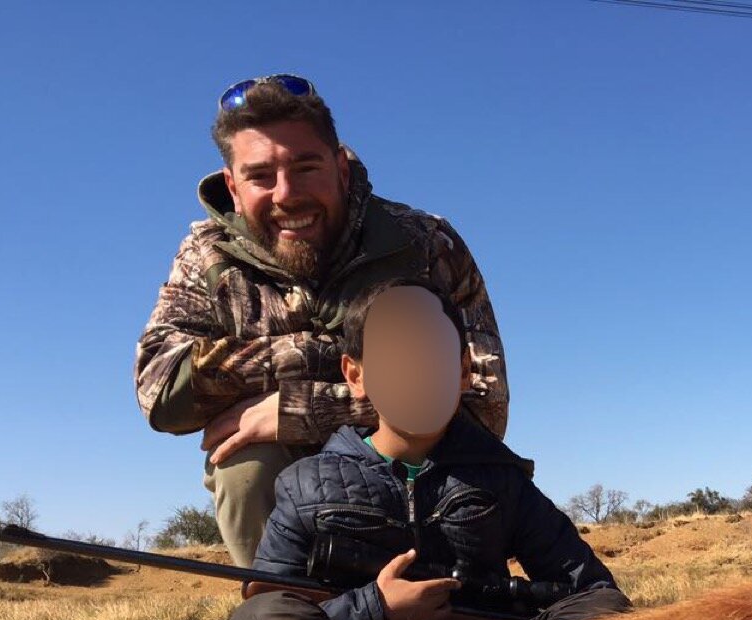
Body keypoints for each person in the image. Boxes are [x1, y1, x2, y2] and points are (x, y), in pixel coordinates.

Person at [136, 75, 508, 566]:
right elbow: (160, 389)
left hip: (419, 475)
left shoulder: (426, 242)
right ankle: (286, 614)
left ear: (341, 169)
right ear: (232, 183)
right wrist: (349, 356)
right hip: (288, 504)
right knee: (243, 466)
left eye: (305, 167)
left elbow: (485, 405)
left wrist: (300, 410)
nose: (286, 194)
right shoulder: (202, 255)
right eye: (260, 176)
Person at [222, 281, 629, 620]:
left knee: (607, 610)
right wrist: (376, 610)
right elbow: (268, 606)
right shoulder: (304, 483)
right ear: (355, 375)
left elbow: (593, 591)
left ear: (464, 371)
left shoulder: (502, 478)